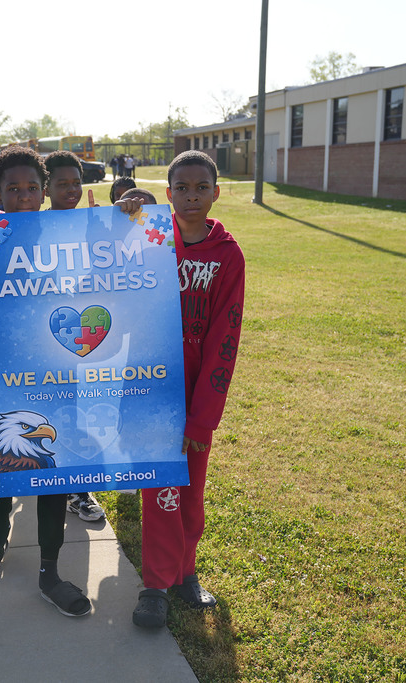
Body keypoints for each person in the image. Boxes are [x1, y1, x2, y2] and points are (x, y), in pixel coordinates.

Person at [0, 145, 92, 618]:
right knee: (2, 468)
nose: (23, 197)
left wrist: (132, 213)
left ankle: (50, 569)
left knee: (55, 471)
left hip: (60, 380)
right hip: (5, 382)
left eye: (32, 188)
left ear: (44, 190)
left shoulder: (74, 239)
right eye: (12, 189)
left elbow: (119, 272)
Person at [125, 150, 245, 629]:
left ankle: (185, 571)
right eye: (181, 188)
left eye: (201, 188)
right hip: (152, 389)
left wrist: (203, 417)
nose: (191, 197)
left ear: (216, 192)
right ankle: (155, 585)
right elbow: (104, 265)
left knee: (190, 494)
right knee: (160, 491)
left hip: (196, 398)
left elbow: (225, 339)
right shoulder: (152, 238)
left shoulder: (228, 254)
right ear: (168, 192)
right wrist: (122, 218)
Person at [42, 150, 107, 523]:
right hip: (46, 335)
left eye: (76, 183)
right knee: (52, 413)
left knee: (79, 414)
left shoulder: (95, 222)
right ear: (47, 187)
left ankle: (79, 491)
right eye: (61, 183)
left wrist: (126, 214)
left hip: (87, 336)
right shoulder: (30, 227)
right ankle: (51, 484)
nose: (71, 190)